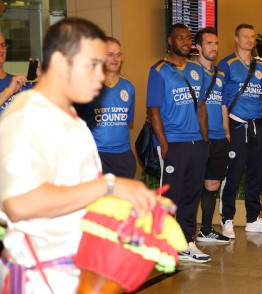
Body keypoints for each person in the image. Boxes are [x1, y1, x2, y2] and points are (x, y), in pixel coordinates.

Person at [0, 17, 156, 293]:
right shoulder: (28, 115)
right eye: (93, 64)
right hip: (38, 278)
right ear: (61, 62)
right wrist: (109, 185)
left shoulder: (72, 119)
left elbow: (72, 193)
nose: (101, 73)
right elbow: (19, 204)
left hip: (74, 272)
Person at [147, 23, 210, 262]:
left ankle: (186, 242)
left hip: (196, 143)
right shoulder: (159, 70)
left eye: (188, 38)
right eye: (180, 38)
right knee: (170, 196)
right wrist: (164, 145)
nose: (185, 42)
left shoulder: (197, 69)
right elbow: (153, 112)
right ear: (170, 42)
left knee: (191, 195)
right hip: (173, 142)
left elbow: (201, 108)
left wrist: (204, 140)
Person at [217, 24, 262, 239]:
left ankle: (253, 219)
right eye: (245, 36)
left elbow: (259, 95)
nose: (250, 40)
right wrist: (226, 128)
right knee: (232, 173)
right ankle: (227, 220)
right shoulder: (226, 64)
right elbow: (221, 99)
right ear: (236, 39)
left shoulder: (260, 66)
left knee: (255, 173)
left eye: (252, 36)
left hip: (258, 124)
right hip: (236, 124)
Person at [75, 37, 136, 178]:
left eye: (118, 54)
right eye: (110, 54)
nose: (115, 58)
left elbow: (127, 121)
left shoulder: (129, 87)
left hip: (124, 156)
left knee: (124, 200)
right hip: (97, 156)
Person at [194, 27, 231, 243]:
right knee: (192, 185)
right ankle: (183, 234)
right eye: (209, 43)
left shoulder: (220, 75)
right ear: (198, 47)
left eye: (216, 43)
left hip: (219, 139)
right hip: (198, 138)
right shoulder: (191, 72)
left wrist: (226, 132)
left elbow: (223, 104)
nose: (214, 47)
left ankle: (206, 229)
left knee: (213, 184)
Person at [0, 33, 33, 115]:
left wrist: (43, 80)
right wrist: (9, 91)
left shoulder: (20, 83)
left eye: (3, 45)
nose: (1, 50)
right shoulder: (13, 85)